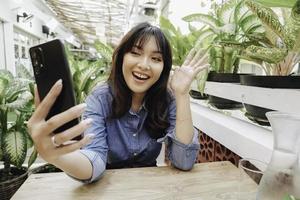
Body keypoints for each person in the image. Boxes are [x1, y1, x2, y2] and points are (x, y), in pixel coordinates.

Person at [28, 22, 208, 183]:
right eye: (136, 53)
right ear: (121, 57)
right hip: (108, 187)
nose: (144, 65)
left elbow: (183, 161)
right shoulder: (100, 98)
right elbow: (94, 160)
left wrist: (182, 95)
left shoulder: (168, 98)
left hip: (151, 187)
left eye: (156, 58)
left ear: (164, 68)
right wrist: (56, 157)